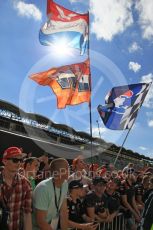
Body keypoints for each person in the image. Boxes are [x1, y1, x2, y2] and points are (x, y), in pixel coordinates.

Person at [0, 146, 32, 230]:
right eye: (15, 160)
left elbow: (27, 214)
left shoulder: (25, 183)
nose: (19, 163)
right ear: (4, 161)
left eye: (20, 160)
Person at [33, 158, 69, 230]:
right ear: (60, 171)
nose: (69, 171)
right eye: (67, 168)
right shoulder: (43, 188)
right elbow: (41, 222)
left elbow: (63, 213)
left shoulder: (65, 184)